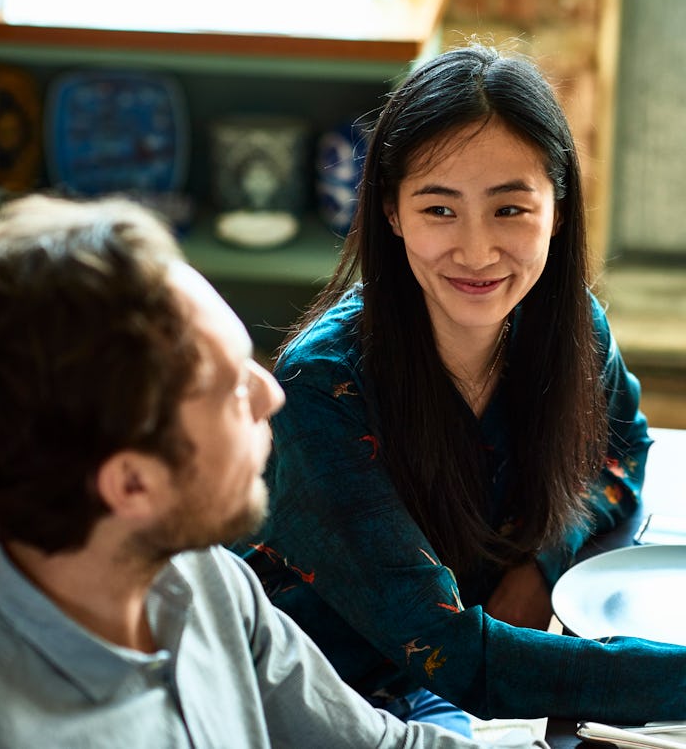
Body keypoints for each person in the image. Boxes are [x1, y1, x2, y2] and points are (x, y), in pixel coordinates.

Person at [0, 193, 550, 749]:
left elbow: (374, 742)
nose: (271, 392)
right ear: (132, 484)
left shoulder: (201, 571)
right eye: (230, 391)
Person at [235, 43, 686, 730]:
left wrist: (541, 565)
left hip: (473, 678)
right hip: (317, 704)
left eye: (510, 210)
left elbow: (622, 452)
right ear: (391, 211)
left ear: (558, 210)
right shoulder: (322, 387)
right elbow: (452, 657)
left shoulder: (569, 325)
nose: (476, 253)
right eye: (439, 210)